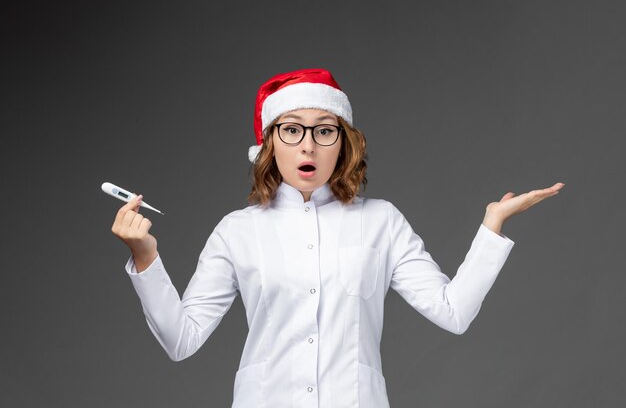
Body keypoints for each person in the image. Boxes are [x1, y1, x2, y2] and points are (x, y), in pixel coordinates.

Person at [111, 68, 564, 408]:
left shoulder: (381, 222)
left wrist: (492, 226)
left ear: (342, 144)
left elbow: (454, 312)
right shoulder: (238, 230)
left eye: (324, 130)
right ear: (271, 144)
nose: (308, 145)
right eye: (292, 129)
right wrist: (146, 256)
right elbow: (181, 340)